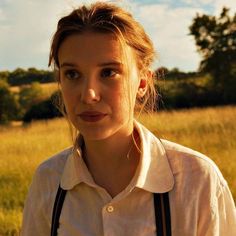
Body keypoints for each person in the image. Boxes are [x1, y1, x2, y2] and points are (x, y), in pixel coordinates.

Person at [21, 1, 236, 236]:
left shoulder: (197, 181)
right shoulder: (48, 180)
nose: (89, 94)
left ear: (142, 83)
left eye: (108, 72)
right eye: (72, 74)